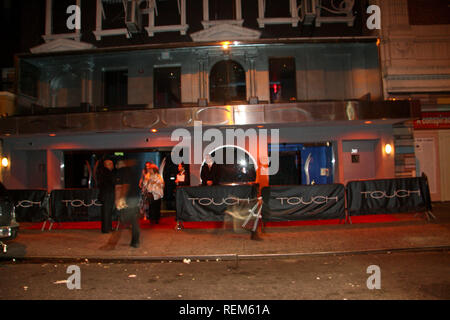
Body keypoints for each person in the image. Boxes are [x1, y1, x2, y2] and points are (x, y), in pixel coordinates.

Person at [115, 159, 140, 248]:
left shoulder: (121, 172)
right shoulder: (132, 171)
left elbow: (123, 185)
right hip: (135, 196)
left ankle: (134, 240)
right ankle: (135, 241)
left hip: (129, 198)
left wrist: (121, 198)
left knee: (128, 218)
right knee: (133, 219)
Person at [96, 158, 116, 233]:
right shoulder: (106, 173)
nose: (112, 165)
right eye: (111, 164)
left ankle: (108, 227)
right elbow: (111, 183)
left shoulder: (105, 172)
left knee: (108, 212)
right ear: (107, 165)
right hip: (107, 194)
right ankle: (106, 228)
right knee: (106, 212)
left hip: (106, 194)